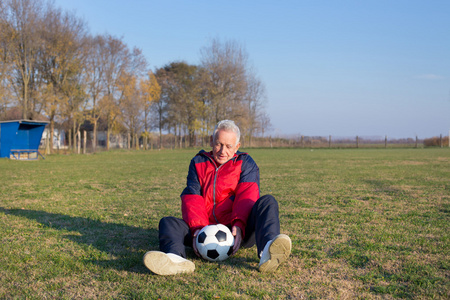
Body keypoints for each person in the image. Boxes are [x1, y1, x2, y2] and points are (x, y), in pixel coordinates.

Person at [144, 120, 291, 275]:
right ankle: (175, 259)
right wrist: (198, 230)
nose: (222, 151)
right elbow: (192, 197)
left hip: (238, 231)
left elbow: (247, 195)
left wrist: (239, 225)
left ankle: (268, 252)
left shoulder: (246, 163)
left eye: (228, 146)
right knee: (167, 222)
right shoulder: (198, 162)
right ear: (211, 142)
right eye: (218, 144)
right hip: (204, 230)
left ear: (237, 147)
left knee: (267, 202)